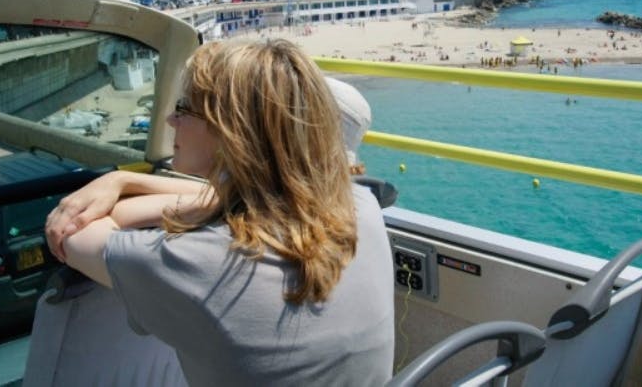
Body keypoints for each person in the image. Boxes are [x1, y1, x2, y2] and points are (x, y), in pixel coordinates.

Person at [47, 40, 394, 386]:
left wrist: (117, 189)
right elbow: (259, 195)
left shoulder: (198, 263)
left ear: (228, 131)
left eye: (183, 108)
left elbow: (72, 233)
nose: (170, 119)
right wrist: (124, 180)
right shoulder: (361, 206)